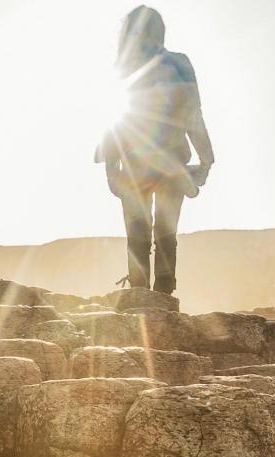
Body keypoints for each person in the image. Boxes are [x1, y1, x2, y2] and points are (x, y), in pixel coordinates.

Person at [96, 5, 213, 295]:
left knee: (139, 235)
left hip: (137, 165)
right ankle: (161, 297)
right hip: (171, 163)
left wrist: (111, 171)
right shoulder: (179, 63)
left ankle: (142, 298)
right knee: (164, 233)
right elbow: (192, 114)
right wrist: (206, 158)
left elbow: (113, 122)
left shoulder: (123, 68)